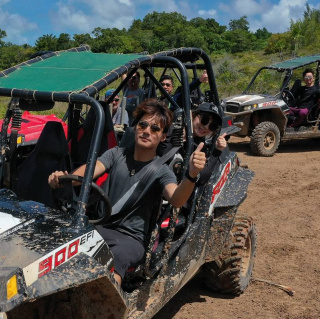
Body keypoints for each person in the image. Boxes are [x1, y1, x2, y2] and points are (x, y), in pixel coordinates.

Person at [48, 99, 206, 286]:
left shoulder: (162, 171)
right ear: (135, 127)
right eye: (143, 125)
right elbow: (84, 174)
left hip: (131, 239)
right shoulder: (116, 154)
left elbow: (177, 199)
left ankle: (104, 307)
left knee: (114, 260)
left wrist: (192, 174)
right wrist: (60, 178)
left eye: (155, 129)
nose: (147, 131)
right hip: (100, 227)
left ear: (163, 136)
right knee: (59, 245)